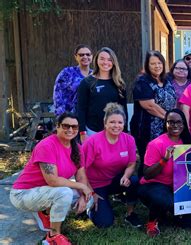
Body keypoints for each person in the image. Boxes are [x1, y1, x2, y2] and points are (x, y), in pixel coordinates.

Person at [10, 113, 93, 244]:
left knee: (89, 198)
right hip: (23, 194)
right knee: (64, 193)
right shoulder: (47, 146)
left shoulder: (77, 148)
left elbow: (81, 175)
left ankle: (46, 212)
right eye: (66, 126)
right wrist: (82, 187)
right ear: (57, 127)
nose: (70, 130)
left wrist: (83, 195)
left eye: (74, 127)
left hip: (46, 191)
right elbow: (52, 180)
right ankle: (53, 236)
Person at [138, 109, 191, 237]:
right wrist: (164, 159)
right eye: (171, 122)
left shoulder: (187, 142)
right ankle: (152, 222)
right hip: (153, 186)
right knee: (164, 199)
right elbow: (147, 174)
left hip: (176, 187)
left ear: (183, 124)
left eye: (178, 122)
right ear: (165, 124)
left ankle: (165, 214)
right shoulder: (156, 144)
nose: (175, 125)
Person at [83, 103, 140, 228]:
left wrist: (125, 176)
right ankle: (89, 208)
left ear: (124, 123)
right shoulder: (93, 142)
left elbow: (131, 164)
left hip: (115, 181)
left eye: (120, 122)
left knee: (134, 180)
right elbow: (81, 170)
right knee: (105, 223)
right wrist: (90, 192)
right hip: (96, 184)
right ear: (105, 123)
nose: (116, 126)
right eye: (112, 122)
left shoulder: (129, 140)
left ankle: (130, 214)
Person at [130, 51, 176, 176]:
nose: (157, 66)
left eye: (159, 63)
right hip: (146, 130)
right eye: (153, 64)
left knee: (164, 159)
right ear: (147, 65)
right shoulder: (142, 82)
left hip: (165, 129)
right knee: (148, 161)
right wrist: (169, 118)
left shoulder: (167, 80)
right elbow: (149, 106)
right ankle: (143, 188)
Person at [76, 47, 128, 142]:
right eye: (102, 59)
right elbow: (81, 109)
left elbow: (124, 110)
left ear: (113, 62)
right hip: (92, 131)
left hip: (114, 131)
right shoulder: (87, 82)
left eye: (109, 60)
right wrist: (82, 132)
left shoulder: (119, 84)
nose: (105, 62)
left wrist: (124, 131)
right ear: (96, 60)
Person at [53, 44, 93, 116]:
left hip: (91, 117)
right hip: (71, 117)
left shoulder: (95, 75)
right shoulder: (67, 73)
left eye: (88, 54)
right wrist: (62, 115)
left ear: (92, 56)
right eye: (81, 55)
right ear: (76, 57)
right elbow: (58, 95)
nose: (85, 57)